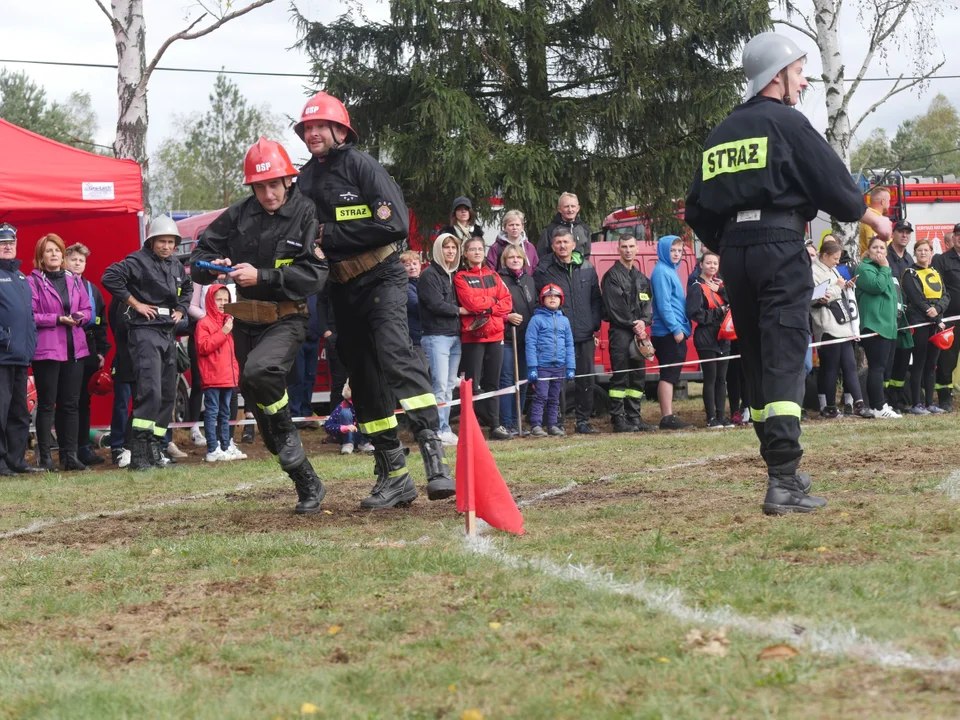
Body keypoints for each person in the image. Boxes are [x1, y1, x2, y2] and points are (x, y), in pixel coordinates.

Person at [684, 31, 891, 515]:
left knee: (757, 356)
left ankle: (783, 468)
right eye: (798, 72)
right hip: (779, 247)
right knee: (784, 354)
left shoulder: (719, 134)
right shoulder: (787, 123)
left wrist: (732, 242)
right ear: (776, 75)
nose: (801, 82)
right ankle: (782, 481)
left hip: (734, 252)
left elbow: (695, 209)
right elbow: (835, 189)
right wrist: (874, 217)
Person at [294, 92, 455, 509]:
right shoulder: (305, 180)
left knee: (395, 355)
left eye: (318, 126)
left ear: (339, 130)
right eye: (306, 128)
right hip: (341, 287)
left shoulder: (362, 166)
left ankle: (434, 458)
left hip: (382, 276)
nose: (311, 133)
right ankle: (395, 475)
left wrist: (328, 236)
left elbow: (394, 225)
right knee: (363, 379)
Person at [191, 137, 328, 512]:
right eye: (260, 186)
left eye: (274, 184)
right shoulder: (238, 214)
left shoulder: (306, 213)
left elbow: (315, 274)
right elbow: (198, 256)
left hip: (286, 318)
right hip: (245, 321)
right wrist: (213, 263)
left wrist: (262, 277)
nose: (268, 193)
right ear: (251, 187)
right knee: (259, 409)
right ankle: (308, 483)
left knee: (261, 370)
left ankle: (286, 431)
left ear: (288, 181)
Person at [103, 217, 192, 471]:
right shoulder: (137, 261)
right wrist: (135, 303)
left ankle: (156, 449)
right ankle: (139, 452)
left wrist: (181, 310)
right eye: (162, 241)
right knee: (149, 391)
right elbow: (109, 276)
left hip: (167, 331)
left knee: (166, 394)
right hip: (144, 331)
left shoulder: (175, 264)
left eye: (171, 242)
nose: (166, 246)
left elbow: (187, 287)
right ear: (151, 241)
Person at [30, 233, 93, 471]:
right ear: (41, 257)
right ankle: (45, 458)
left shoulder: (75, 280)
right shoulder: (33, 281)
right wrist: (57, 319)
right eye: (49, 251)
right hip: (47, 351)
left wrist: (79, 316)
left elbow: (87, 308)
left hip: (74, 349)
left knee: (71, 404)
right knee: (47, 405)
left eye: (57, 250)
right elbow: (31, 315)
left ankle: (70, 456)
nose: (54, 254)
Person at [533, 228, 602, 433]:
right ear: (553, 246)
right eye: (558, 242)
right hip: (557, 337)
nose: (562, 246)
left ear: (574, 244)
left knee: (586, 380)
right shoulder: (544, 269)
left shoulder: (588, 267)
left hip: (584, 335)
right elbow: (539, 301)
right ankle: (557, 421)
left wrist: (594, 324)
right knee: (557, 383)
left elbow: (596, 299)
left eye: (566, 242)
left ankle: (583, 421)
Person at [454, 236, 514, 440]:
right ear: (466, 254)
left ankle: (495, 426)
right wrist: (492, 303)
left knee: (493, 383)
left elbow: (507, 302)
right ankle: (473, 426)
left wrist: (487, 307)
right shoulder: (460, 277)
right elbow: (470, 302)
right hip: (473, 337)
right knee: (473, 384)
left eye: (480, 249)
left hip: (496, 335)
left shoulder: (495, 275)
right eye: (472, 249)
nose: (477, 252)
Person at [810, 239, 871, 419]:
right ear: (825, 255)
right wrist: (839, 287)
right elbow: (820, 297)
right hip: (827, 324)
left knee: (850, 364)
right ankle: (829, 406)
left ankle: (859, 404)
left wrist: (845, 287)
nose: (838, 262)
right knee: (831, 367)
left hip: (842, 324)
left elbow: (837, 288)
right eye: (835, 258)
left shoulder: (832, 269)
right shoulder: (813, 272)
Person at [601, 233, 656, 432]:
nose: (628, 250)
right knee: (621, 377)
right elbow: (616, 309)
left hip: (639, 334)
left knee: (638, 376)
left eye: (631, 246)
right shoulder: (612, 277)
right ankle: (618, 420)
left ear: (637, 249)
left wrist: (644, 322)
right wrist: (635, 323)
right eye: (624, 246)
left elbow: (648, 305)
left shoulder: (642, 278)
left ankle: (635, 418)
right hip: (621, 333)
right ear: (618, 249)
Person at [0, 223, 41, 477]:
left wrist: (31, 343)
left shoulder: (22, 277)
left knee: (19, 412)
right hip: (2, 356)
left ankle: (16, 460)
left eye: (11, 243)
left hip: (20, 356)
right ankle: (1, 463)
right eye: (2, 243)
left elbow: (29, 317)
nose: (7, 246)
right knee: (0, 413)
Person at [64, 243, 111, 466]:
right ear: (65, 261)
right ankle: (67, 449)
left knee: (84, 400)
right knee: (66, 400)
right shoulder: (57, 286)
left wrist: (101, 351)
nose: (77, 263)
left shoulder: (93, 290)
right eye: (73, 259)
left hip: (90, 348)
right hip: (65, 347)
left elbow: (102, 323)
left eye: (81, 261)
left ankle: (83, 448)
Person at [418, 233, 464, 447]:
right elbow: (436, 304)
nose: (451, 251)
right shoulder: (429, 275)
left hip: (455, 337)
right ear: (438, 249)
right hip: (437, 337)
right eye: (446, 247)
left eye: (454, 247)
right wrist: (461, 310)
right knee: (439, 385)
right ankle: (438, 429)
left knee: (448, 386)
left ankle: (444, 427)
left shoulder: (456, 274)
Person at [194, 284, 246, 462]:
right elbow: (204, 347)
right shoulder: (204, 323)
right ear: (210, 301)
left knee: (225, 414)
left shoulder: (228, 321)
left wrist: (235, 374)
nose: (223, 303)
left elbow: (231, 355)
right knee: (212, 412)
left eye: (226, 300)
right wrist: (223, 332)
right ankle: (212, 449)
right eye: (219, 299)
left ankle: (224, 446)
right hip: (213, 377)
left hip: (227, 378)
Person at [855, 236, 902, 419]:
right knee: (877, 367)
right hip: (874, 325)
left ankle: (880, 404)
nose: (879, 251)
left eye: (882, 248)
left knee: (883, 368)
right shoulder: (864, 268)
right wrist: (885, 268)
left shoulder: (885, 270)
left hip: (889, 326)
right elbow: (877, 287)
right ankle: (877, 406)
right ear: (868, 250)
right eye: (875, 248)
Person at [902, 237, 950, 415]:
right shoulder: (910, 273)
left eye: (926, 250)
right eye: (920, 250)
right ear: (915, 253)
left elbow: (946, 295)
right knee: (919, 363)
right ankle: (917, 403)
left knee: (932, 364)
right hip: (919, 321)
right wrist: (930, 311)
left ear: (931, 253)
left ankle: (930, 402)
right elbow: (916, 297)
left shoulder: (935, 272)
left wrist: (937, 310)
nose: (923, 253)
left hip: (935, 322)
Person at [649, 236, 693, 430]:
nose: (676, 254)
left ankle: (669, 415)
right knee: (668, 374)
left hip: (676, 330)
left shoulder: (671, 270)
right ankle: (667, 417)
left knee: (671, 374)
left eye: (679, 251)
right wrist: (676, 329)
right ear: (664, 251)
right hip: (667, 333)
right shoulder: (661, 272)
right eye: (672, 250)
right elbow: (663, 303)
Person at [686, 251, 733, 428]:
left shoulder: (721, 285)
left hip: (723, 336)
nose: (712, 266)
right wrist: (718, 312)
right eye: (708, 263)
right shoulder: (696, 287)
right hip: (706, 337)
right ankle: (711, 417)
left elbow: (734, 300)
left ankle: (721, 416)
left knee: (722, 378)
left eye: (715, 263)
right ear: (701, 265)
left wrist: (720, 290)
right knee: (711, 378)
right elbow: (694, 313)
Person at [526, 284, 576, 437]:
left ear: (561, 300)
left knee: (555, 397)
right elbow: (530, 342)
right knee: (541, 396)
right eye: (549, 296)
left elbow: (569, 344)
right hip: (542, 366)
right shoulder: (536, 319)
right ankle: (536, 425)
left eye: (556, 296)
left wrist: (570, 367)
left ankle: (553, 424)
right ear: (543, 300)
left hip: (559, 366)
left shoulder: (565, 321)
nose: (552, 298)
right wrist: (532, 366)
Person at [497, 244, 537, 435]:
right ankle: (506, 422)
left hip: (526, 339)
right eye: (510, 257)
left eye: (518, 257)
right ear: (504, 261)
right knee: (506, 379)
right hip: (506, 337)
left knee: (522, 380)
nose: (514, 260)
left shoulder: (529, 280)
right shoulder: (498, 279)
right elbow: (494, 306)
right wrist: (507, 317)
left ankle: (517, 420)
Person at [885, 221, 915, 410]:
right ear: (893, 234)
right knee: (888, 360)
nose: (904, 235)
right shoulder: (885, 255)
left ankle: (898, 400)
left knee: (903, 359)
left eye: (907, 233)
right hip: (889, 316)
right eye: (901, 232)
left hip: (907, 316)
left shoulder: (909, 259)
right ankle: (884, 401)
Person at [933, 221, 960, 411]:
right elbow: (938, 290)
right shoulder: (941, 260)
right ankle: (945, 398)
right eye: (958, 235)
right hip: (951, 318)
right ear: (953, 238)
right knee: (947, 360)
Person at [536, 192, 592, 259]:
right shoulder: (549, 230)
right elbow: (542, 256)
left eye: (573, 206)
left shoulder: (585, 229)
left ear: (578, 208)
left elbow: (587, 255)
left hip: (579, 268)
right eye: (566, 206)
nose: (570, 210)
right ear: (559, 209)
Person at [324, 380, 373, 454]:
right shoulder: (343, 405)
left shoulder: (368, 405)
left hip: (364, 438)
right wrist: (343, 428)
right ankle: (347, 443)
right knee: (345, 412)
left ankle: (365, 443)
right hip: (345, 437)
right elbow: (327, 426)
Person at [486, 209, 539, 275]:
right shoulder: (496, 248)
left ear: (522, 227)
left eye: (517, 225)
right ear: (505, 227)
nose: (514, 228)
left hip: (526, 283)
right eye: (511, 225)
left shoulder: (530, 247)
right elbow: (490, 271)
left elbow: (535, 269)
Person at [400, 250, 425, 362]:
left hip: (424, 334)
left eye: (414, 264)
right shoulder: (405, 286)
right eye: (407, 265)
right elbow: (416, 307)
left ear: (420, 266)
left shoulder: (424, 282)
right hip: (415, 337)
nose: (412, 267)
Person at [859, 187, 891, 257]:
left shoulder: (868, 216)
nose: (889, 204)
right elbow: (874, 245)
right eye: (889, 201)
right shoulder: (872, 221)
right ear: (883, 201)